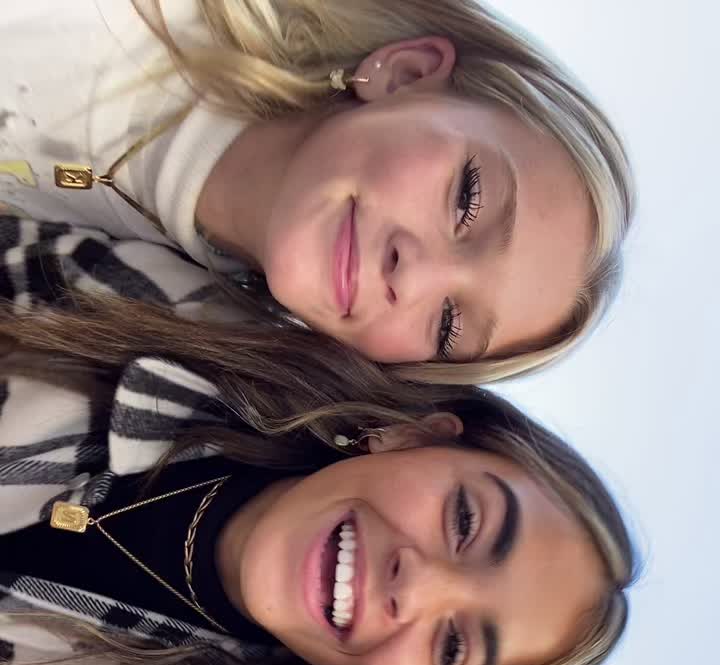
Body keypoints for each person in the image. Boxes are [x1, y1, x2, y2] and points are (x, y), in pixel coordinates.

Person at [0, 217, 637, 665]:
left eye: (453, 646)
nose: (417, 584)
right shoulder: (182, 316)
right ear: (415, 437)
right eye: (465, 521)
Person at [0, 0, 634, 382]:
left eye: (449, 325)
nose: (414, 275)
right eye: (467, 200)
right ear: (406, 74)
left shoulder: (141, 341)